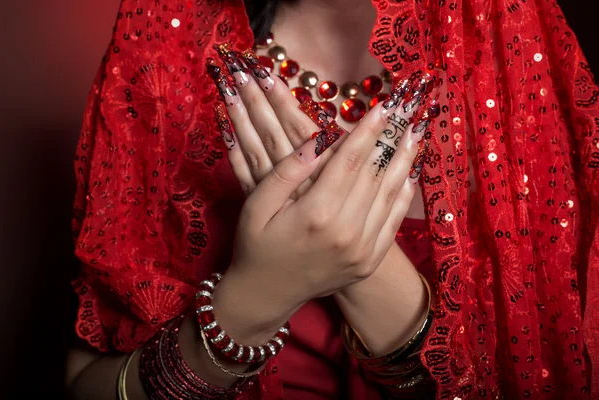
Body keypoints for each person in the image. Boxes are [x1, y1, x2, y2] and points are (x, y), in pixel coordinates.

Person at [65, 0, 599, 398]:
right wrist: (249, 302)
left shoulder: (524, 68)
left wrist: (362, 267)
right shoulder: (168, 49)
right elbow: (85, 385)